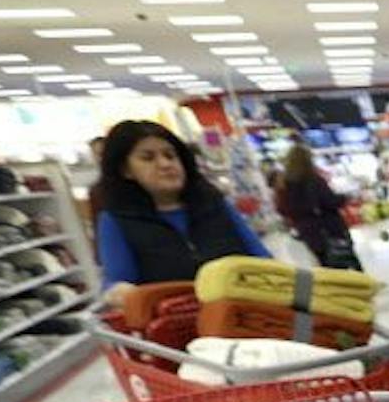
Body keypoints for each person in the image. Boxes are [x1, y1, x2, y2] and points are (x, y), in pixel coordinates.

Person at [94, 119, 268, 303]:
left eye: (170, 155)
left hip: (248, 318)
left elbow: (262, 258)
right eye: (148, 158)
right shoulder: (117, 220)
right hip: (177, 325)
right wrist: (118, 293)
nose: (165, 164)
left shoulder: (215, 204)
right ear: (126, 170)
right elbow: (117, 282)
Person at [276, 143, 358, 270]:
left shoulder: (283, 185)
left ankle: (336, 287)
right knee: (346, 258)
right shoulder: (314, 180)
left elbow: (281, 209)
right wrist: (345, 197)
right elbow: (330, 201)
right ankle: (359, 284)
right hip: (329, 227)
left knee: (326, 264)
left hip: (307, 231)